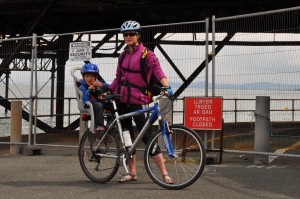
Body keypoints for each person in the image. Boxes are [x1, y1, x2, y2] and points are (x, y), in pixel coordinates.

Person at [109, 20, 174, 184]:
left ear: (138, 35)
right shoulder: (122, 55)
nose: (128, 37)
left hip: (138, 101)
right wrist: (109, 92)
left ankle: (164, 173)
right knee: (127, 138)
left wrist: (167, 86)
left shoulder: (147, 54)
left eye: (131, 34)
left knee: (147, 137)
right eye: (125, 35)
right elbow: (118, 77)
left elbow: (158, 71)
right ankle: (132, 172)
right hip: (121, 100)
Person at [79, 62, 110, 132]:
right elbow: (84, 99)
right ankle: (98, 125)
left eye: (92, 76)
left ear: (96, 77)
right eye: (87, 76)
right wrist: (89, 90)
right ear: (83, 77)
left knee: (111, 104)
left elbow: (110, 86)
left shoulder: (97, 84)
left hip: (98, 103)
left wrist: (100, 85)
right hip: (89, 105)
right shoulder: (82, 87)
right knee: (99, 105)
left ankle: (111, 124)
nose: (90, 79)